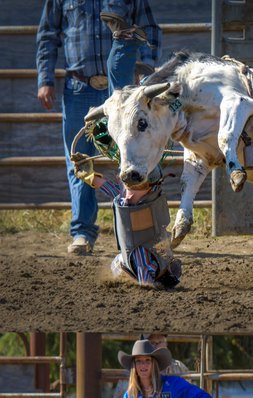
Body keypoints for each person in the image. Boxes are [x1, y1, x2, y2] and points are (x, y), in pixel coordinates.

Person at [36, 0, 160, 255]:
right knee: (79, 160)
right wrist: (45, 78)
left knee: (139, 157)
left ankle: (149, 230)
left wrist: (147, 72)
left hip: (124, 91)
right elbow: (48, 35)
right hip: (79, 87)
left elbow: (151, 28)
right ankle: (82, 233)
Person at [72, 158, 181, 289]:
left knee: (141, 255)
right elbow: (107, 186)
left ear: (150, 186)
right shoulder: (123, 197)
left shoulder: (152, 197)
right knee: (125, 260)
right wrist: (89, 176)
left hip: (150, 255)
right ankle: (136, 278)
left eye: (136, 188)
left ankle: (148, 282)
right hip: (130, 258)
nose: (129, 195)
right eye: (127, 187)